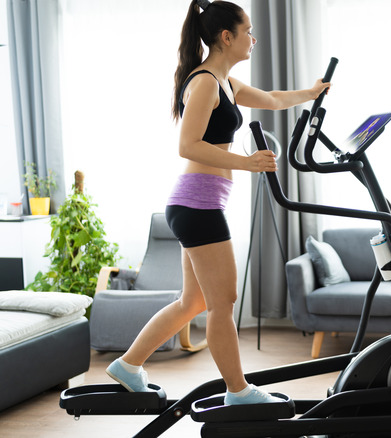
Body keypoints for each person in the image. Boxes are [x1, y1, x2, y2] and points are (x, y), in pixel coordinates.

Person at [105, 0, 330, 405]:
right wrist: (245, 163)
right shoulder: (206, 82)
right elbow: (187, 145)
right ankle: (238, 391)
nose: (254, 39)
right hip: (197, 206)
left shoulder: (225, 82)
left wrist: (311, 93)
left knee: (193, 302)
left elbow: (274, 98)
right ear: (227, 37)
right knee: (223, 302)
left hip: (198, 204)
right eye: (248, 32)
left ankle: (128, 365)